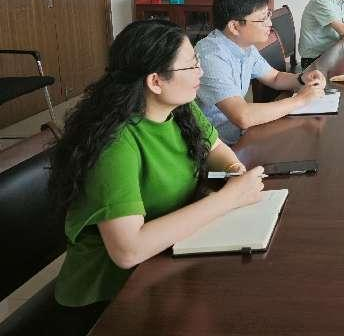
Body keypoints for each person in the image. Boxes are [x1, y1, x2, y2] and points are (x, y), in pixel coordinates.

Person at [48, 20, 266, 326]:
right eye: (191, 66)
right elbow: (128, 251)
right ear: (155, 81)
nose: (201, 72)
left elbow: (216, 148)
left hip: (166, 264)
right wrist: (229, 199)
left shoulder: (179, 109)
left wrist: (233, 170)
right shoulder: (115, 143)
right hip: (110, 299)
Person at [195, 0, 326, 144]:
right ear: (235, 26)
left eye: (268, 15)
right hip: (216, 146)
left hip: (241, 134)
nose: (270, 23)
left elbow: (275, 77)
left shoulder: (245, 45)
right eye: (263, 18)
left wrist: (302, 78)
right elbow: (242, 116)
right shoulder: (211, 56)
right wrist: (300, 100)